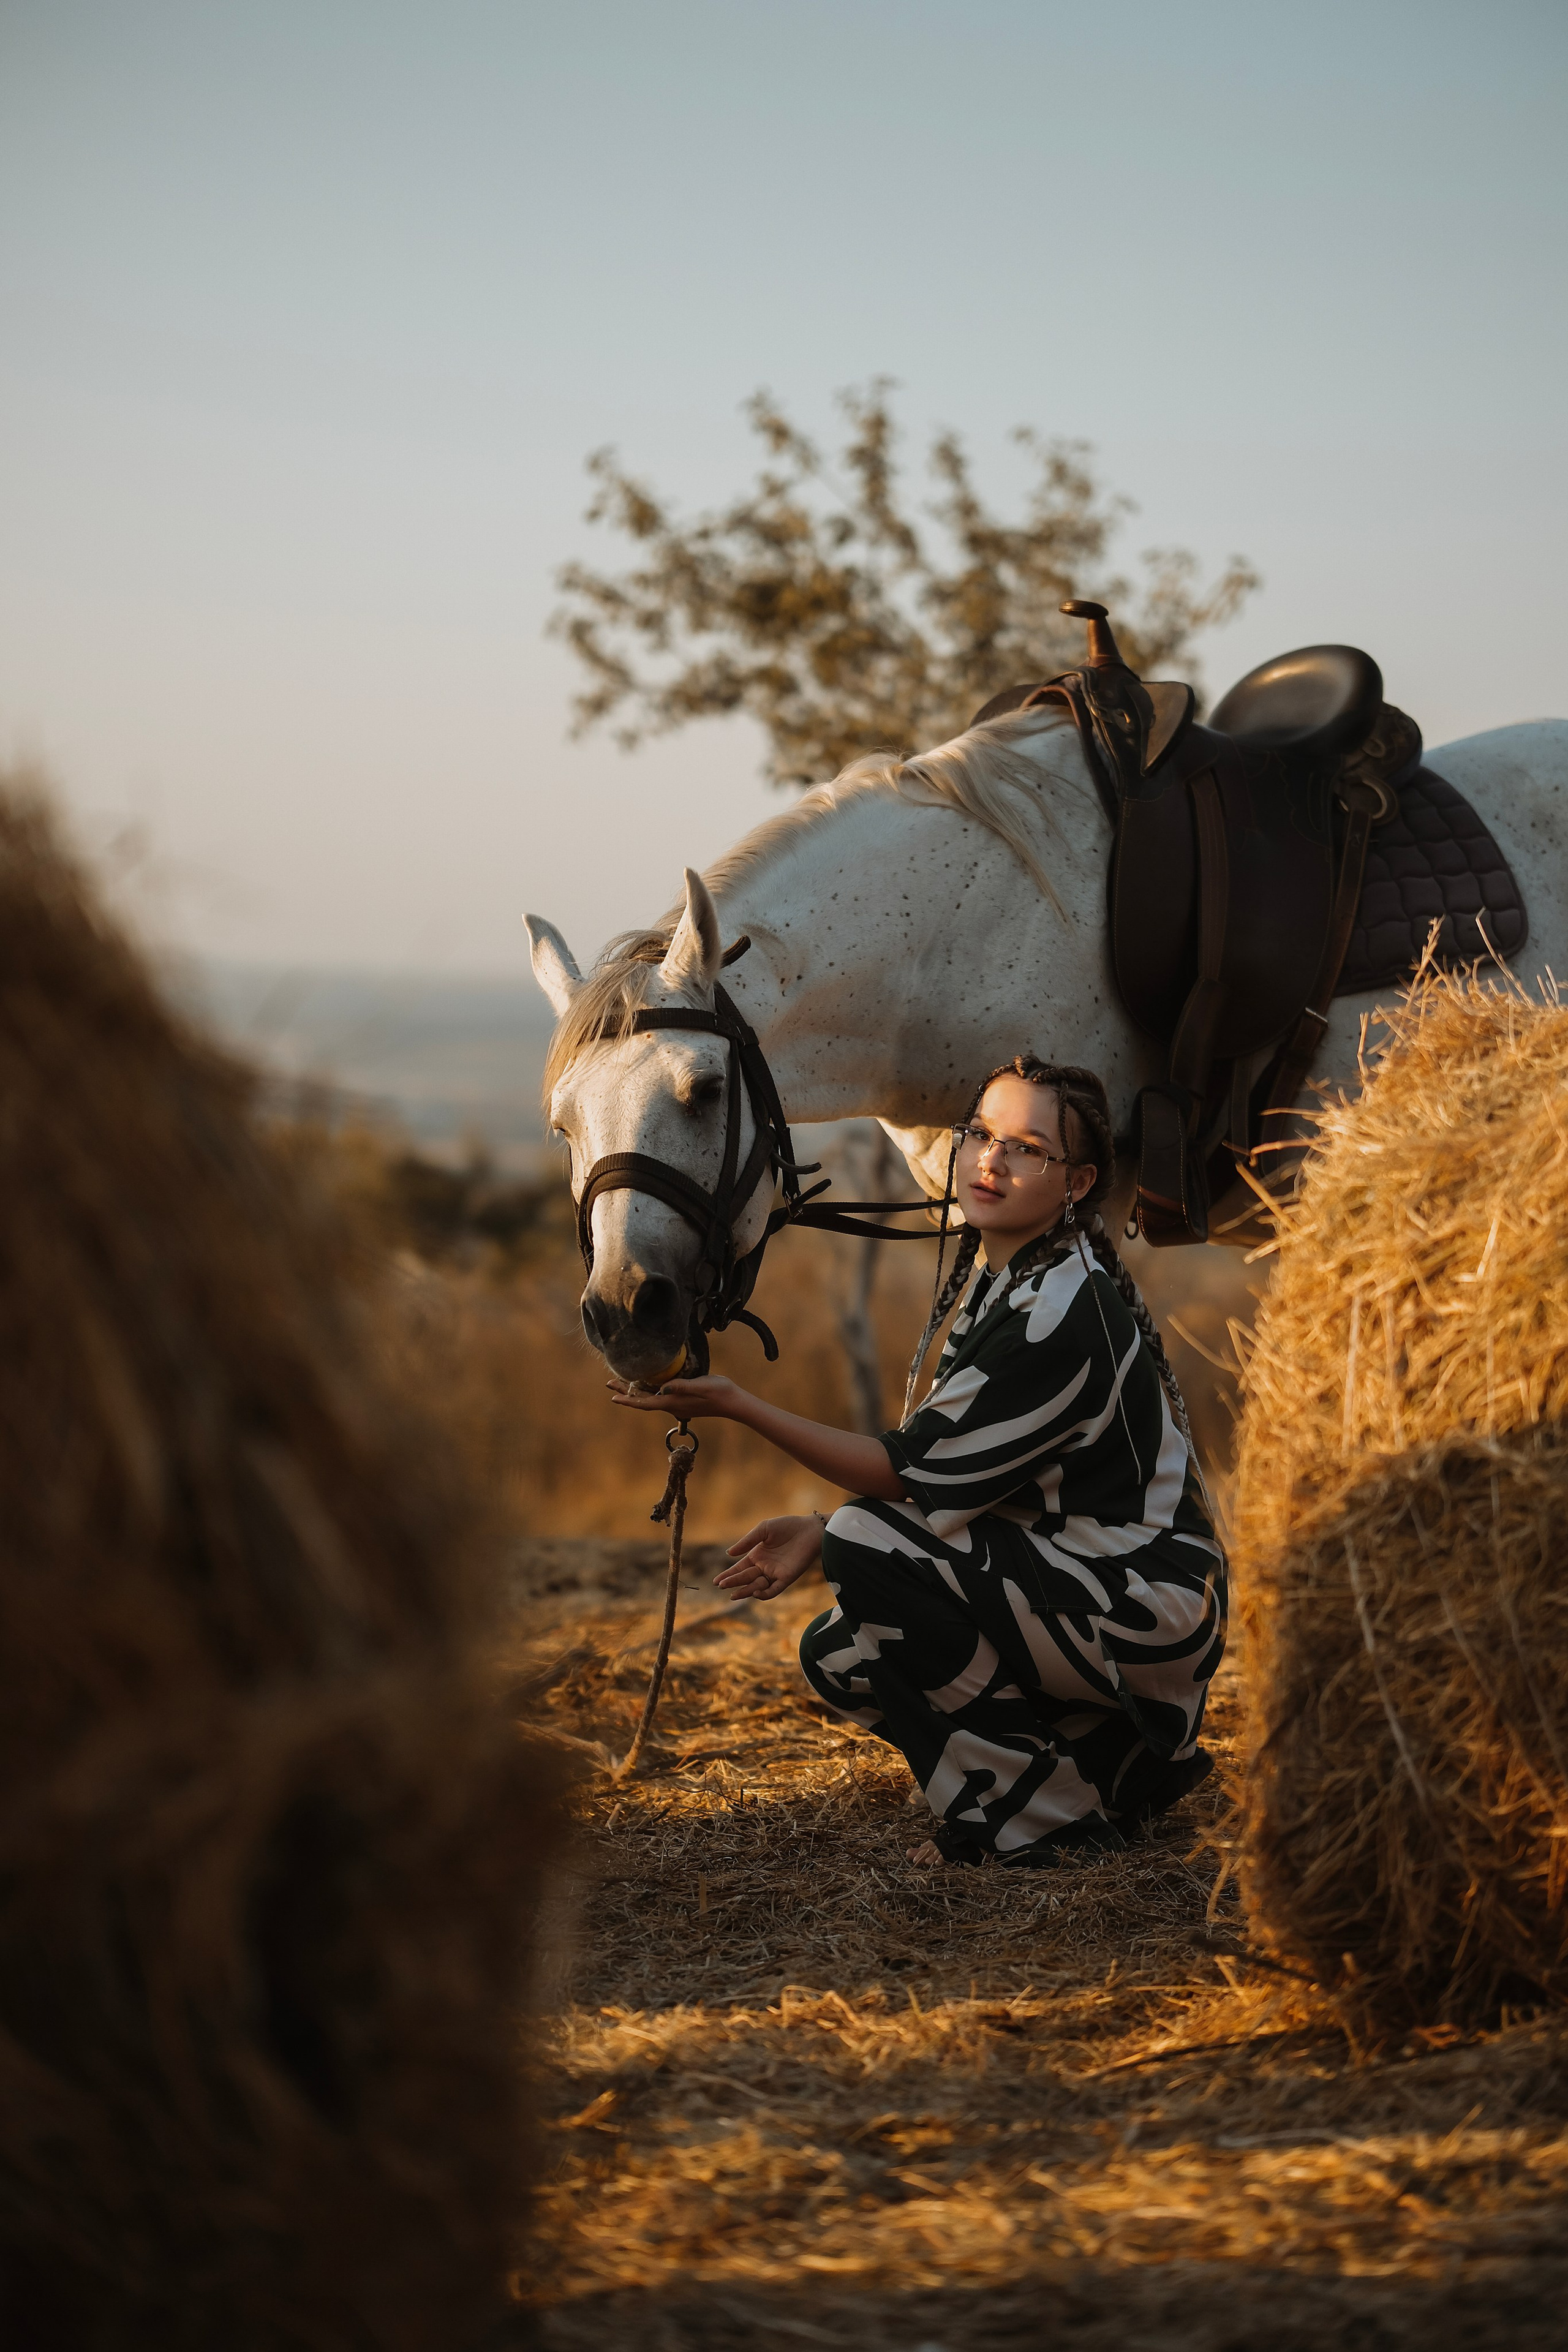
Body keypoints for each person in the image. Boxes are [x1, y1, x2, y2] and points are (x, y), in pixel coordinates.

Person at [610, 1058, 1227, 1869]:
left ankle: (1043, 1822)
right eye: (979, 1135)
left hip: (1145, 1605)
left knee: (867, 1542)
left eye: (1027, 1148)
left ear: (1077, 1182)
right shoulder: (1012, 1276)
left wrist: (738, 1407)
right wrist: (825, 1527)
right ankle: (1117, 1765)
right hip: (1084, 1581)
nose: (990, 1162)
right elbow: (966, 1476)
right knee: (842, 1654)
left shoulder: (1057, 1314)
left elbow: (903, 1474)